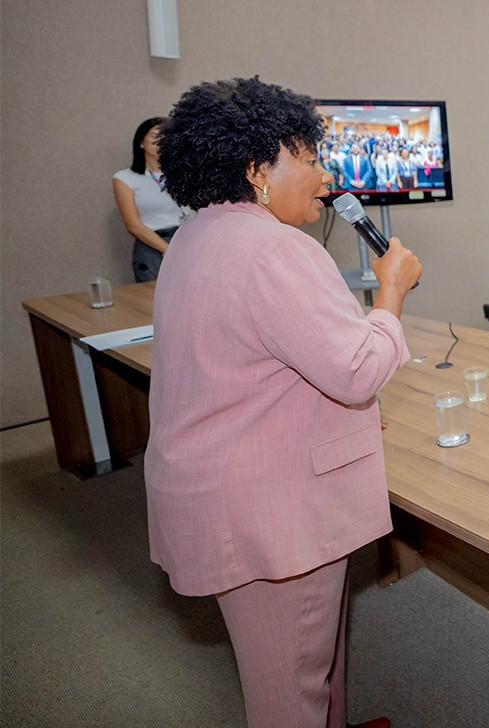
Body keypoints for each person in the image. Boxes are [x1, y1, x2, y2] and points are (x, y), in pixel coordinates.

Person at [146, 76, 419, 728]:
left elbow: (263, 360)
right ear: (256, 169)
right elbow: (355, 370)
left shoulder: (198, 236)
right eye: (308, 156)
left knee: (314, 660)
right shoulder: (275, 250)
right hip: (268, 515)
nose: (325, 174)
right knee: (289, 694)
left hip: (228, 489)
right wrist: (390, 296)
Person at [114, 116, 190, 282]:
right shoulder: (125, 178)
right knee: (152, 302)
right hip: (153, 247)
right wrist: (168, 249)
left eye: (166, 136)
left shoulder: (182, 174)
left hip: (186, 242)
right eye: (156, 135)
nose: (161, 140)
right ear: (141, 142)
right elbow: (133, 225)